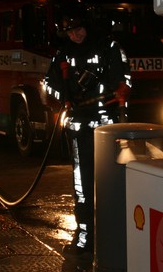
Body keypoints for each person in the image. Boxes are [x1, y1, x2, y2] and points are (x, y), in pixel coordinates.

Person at [43, 15, 131, 259]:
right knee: (82, 184)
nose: (75, 35)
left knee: (111, 182)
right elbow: (48, 82)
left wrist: (118, 93)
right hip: (79, 127)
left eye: (78, 29)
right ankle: (84, 237)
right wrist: (64, 96)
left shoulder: (109, 47)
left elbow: (124, 81)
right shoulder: (63, 53)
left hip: (108, 128)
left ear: (87, 27)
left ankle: (113, 236)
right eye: (70, 32)